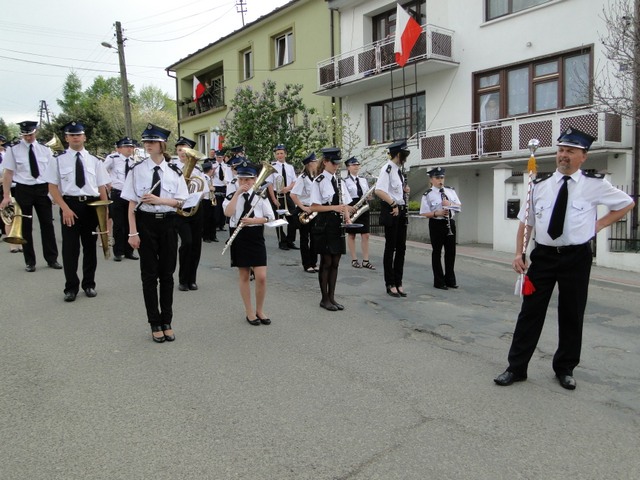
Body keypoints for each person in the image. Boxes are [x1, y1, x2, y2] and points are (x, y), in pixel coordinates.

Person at [494, 127, 635, 390]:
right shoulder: (540, 185)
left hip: (576, 258)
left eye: (570, 151)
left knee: (572, 313)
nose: (563, 155)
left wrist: (598, 225)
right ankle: (516, 368)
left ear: (583, 156)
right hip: (544, 257)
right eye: (561, 150)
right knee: (530, 313)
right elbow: (526, 222)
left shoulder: (595, 185)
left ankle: (565, 368)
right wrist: (518, 253)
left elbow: (627, 203)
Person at [121, 123, 189, 343]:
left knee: (167, 275)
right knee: (149, 275)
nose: (148, 145)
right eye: (146, 141)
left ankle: (167, 320)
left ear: (162, 144)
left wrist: (160, 200)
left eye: (152, 141)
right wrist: (132, 232)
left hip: (168, 223)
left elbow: (180, 202)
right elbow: (131, 203)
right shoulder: (137, 170)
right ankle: (154, 322)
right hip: (146, 223)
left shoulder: (174, 171)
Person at [43, 121, 110, 302]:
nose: (75, 138)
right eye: (71, 135)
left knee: (90, 248)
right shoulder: (57, 160)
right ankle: (70, 288)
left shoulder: (95, 160)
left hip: (91, 206)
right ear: (66, 138)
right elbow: (52, 187)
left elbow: (101, 187)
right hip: (69, 205)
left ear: (84, 137)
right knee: (70, 249)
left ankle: (89, 284)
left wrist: (105, 213)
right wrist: (65, 208)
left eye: (78, 134)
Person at [1, 121, 62, 271]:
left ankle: (52, 259)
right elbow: (8, 173)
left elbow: (52, 172)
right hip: (23, 189)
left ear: (36, 132)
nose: (28, 137)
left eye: (30, 134)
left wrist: (55, 193)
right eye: (25, 135)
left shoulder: (45, 149)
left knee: (47, 224)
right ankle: (30, 262)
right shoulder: (13, 150)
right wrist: (6, 196)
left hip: (42, 189)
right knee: (25, 226)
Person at [223, 160, 275, 326]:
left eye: (248, 179)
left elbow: (270, 217)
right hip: (239, 236)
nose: (244, 182)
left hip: (255, 235)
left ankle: (260, 309)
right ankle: (249, 311)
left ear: (254, 180)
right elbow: (228, 213)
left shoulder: (260, 196)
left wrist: (254, 220)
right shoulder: (232, 196)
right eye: (241, 179)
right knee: (244, 275)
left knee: (261, 277)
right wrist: (237, 194)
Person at [310, 147, 352, 311]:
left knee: (335, 262)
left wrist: (347, 218)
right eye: (334, 163)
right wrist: (334, 208)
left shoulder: (339, 181)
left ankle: (332, 297)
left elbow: (344, 204)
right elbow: (314, 207)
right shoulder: (319, 181)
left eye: (338, 163)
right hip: (325, 224)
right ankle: (324, 298)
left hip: (337, 224)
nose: (336, 166)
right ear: (326, 162)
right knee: (326, 262)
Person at [374, 140, 411, 298]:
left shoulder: (398, 171)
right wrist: (393, 203)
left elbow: (394, 190)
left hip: (400, 210)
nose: (405, 158)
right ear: (398, 154)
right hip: (392, 210)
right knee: (391, 248)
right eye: (404, 155)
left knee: (401, 248)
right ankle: (390, 283)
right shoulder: (387, 169)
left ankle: (398, 281)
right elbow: (379, 190)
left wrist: (404, 191)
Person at [419, 166, 462, 289]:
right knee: (437, 252)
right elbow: (423, 213)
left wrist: (450, 204)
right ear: (431, 179)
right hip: (436, 224)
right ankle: (439, 281)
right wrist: (436, 213)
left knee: (451, 252)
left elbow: (459, 206)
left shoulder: (450, 191)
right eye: (437, 178)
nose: (440, 180)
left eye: (442, 177)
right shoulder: (428, 194)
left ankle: (450, 279)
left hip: (449, 222)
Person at [172, 136, 206, 291]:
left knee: (196, 245)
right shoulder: (172, 168)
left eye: (185, 150)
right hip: (180, 211)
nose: (182, 153)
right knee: (187, 243)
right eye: (179, 150)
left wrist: (196, 195)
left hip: (196, 209)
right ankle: (183, 279)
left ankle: (192, 279)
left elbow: (204, 190)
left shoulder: (198, 170)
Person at [103, 136, 139, 262]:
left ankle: (129, 251)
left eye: (131, 147)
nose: (129, 149)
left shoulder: (134, 161)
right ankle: (118, 252)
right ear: (119, 149)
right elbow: (102, 171)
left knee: (130, 223)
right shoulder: (113, 159)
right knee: (118, 224)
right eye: (126, 146)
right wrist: (108, 183)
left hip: (130, 195)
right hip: (117, 193)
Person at [344, 156, 375, 271]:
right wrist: (348, 208)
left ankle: (366, 260)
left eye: (357, 165)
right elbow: (344, 197)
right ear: (348, 167)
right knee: (352, 234)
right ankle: (354, 259)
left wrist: (370, 196)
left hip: (363, 206)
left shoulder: (363, 180)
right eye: (353, 165)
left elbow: (367, 194)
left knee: (365, 234)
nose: (356, 167)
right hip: (352, 205)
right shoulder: (345, 181)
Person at [290, 152, 320, 273]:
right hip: (305, 209)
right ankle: (307, 264)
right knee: (304, 238)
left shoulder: (316, 177)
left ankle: (314, 262)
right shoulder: (302, 178)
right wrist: (303, 207)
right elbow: (293, 195)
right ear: (310, 164)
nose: (317, 163)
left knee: (315, 237)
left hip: (314, 209)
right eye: (315, 162)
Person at [267, 144, 299, 250]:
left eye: (281, 153)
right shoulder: (272, 167)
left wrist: (288, 188)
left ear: (285, 154)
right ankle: (282, 242)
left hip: (288, 195)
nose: (279, 155)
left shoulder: (290, 167)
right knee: (279, 220)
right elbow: (270, 184)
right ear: (275, 155)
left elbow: (294, 181)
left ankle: (290, 240)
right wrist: (273, 199)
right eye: (277, 154)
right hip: (276, 195)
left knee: (293, 218)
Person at [211, 149, 230, 232]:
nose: (219, 159)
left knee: (223, 205)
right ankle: (216, 224)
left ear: (223, 157)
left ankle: (222, 224)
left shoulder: (226, 166)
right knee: (216, 206)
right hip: (216, 186)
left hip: (224, 186)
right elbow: (209, 175)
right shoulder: (212, 165)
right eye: (217, 157)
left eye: (220, 157)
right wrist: (213, 171)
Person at [201, 161, 218, 243]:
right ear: (210, 170)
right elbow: (206, 189)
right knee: (206, 219)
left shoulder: (209, 178)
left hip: (211, 199)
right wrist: (212, 188)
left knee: (213, 218)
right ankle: (206, 236)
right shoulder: (203, 177)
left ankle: (212, 235)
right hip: (205, 200)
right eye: (212, 169)